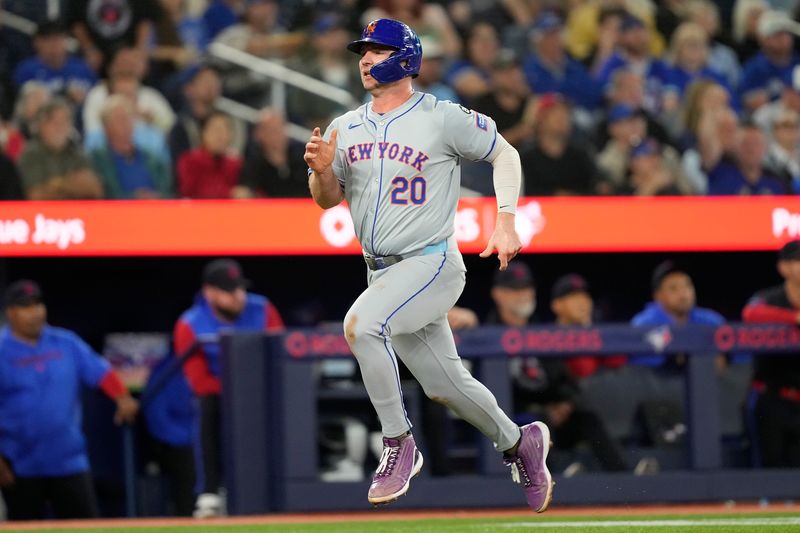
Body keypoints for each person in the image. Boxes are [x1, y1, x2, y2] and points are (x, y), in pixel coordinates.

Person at [304, 18, 553, 512]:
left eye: (378, 49)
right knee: (444, 385)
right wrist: (319, 172)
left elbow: (505, 154)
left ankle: (398, 443)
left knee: (360, 325)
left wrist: (505, 221)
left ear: (406, 57)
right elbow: (326, 200)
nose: (366, 59)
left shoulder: (441, 116)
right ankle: (518, 441)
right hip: (382, 270)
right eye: (363, 51)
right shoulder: (344, 126)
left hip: (431, 261)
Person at [0, 280, 139, 520]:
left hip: (69, 460)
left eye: (38, 305)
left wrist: (123, 397)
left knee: (84, 525)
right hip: (18, 464)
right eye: (25, 307)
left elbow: (101, 372)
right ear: (10, 312)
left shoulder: (65, 342)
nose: (34, 312)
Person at [174, 259, 284, 518]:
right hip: (220, 396)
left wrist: (253, 392)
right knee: (204, 407)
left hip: (265, 390)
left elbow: (280, 357)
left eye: (239, 288)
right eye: (228, 290)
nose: (237, 296)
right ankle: (210, 492)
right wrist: (240, 393)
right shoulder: (189, 323)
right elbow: (199, 380)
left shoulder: (263, 308)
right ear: (209, 293)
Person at [741, 240, 800, 467]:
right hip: (772, 398)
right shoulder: (770, 297)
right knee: (769, 471)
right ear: (783, 268)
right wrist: (793, 318)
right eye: (797, 260)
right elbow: (750, 313)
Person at [631, 261, 725, 370]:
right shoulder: (644, 324)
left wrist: (725, 357)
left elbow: (737, 358)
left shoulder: (711, 320)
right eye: (673, 289)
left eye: (687, 286)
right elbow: (642, 366)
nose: (683, 294)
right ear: (658, 296)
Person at [17, 98, 104, 200]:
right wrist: (70, 184)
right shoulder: (31, 154)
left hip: (78, 214)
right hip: (44, 215)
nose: (61, 128)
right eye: (55, 122)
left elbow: (95, 190)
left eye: (65, 122)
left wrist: (55, 186)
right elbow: (35, 196)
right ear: (41, 125)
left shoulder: (77, 153)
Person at [89, 95, 173, 199]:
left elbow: (168, 191)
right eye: (120, 119)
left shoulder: (152, 158)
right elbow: (100, 196)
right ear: (106, 127)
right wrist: (133, 198)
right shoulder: (96, 160)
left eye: (129, 118)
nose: (126, 124)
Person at [13, 21, 96, 106]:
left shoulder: (82, 68)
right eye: (49, 39)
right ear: (37, 42)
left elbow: (96, 98)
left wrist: (83, 98)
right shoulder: (27, 70)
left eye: (59, 38)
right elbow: (21, 105)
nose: (55, 44)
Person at [237, 109, 308, 198]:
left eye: (280, 128)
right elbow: (243, 191)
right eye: (272, 130)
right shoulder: (253, 164)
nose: (277, 134)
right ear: (259, 134)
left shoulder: (301, 159)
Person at [176, 112, 242, 199]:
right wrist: (229, 193)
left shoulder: (235, 164)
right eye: (216, 130)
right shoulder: (189, 161)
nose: (221, 136)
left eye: (225, 130)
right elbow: (190, 192)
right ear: (203, 133)